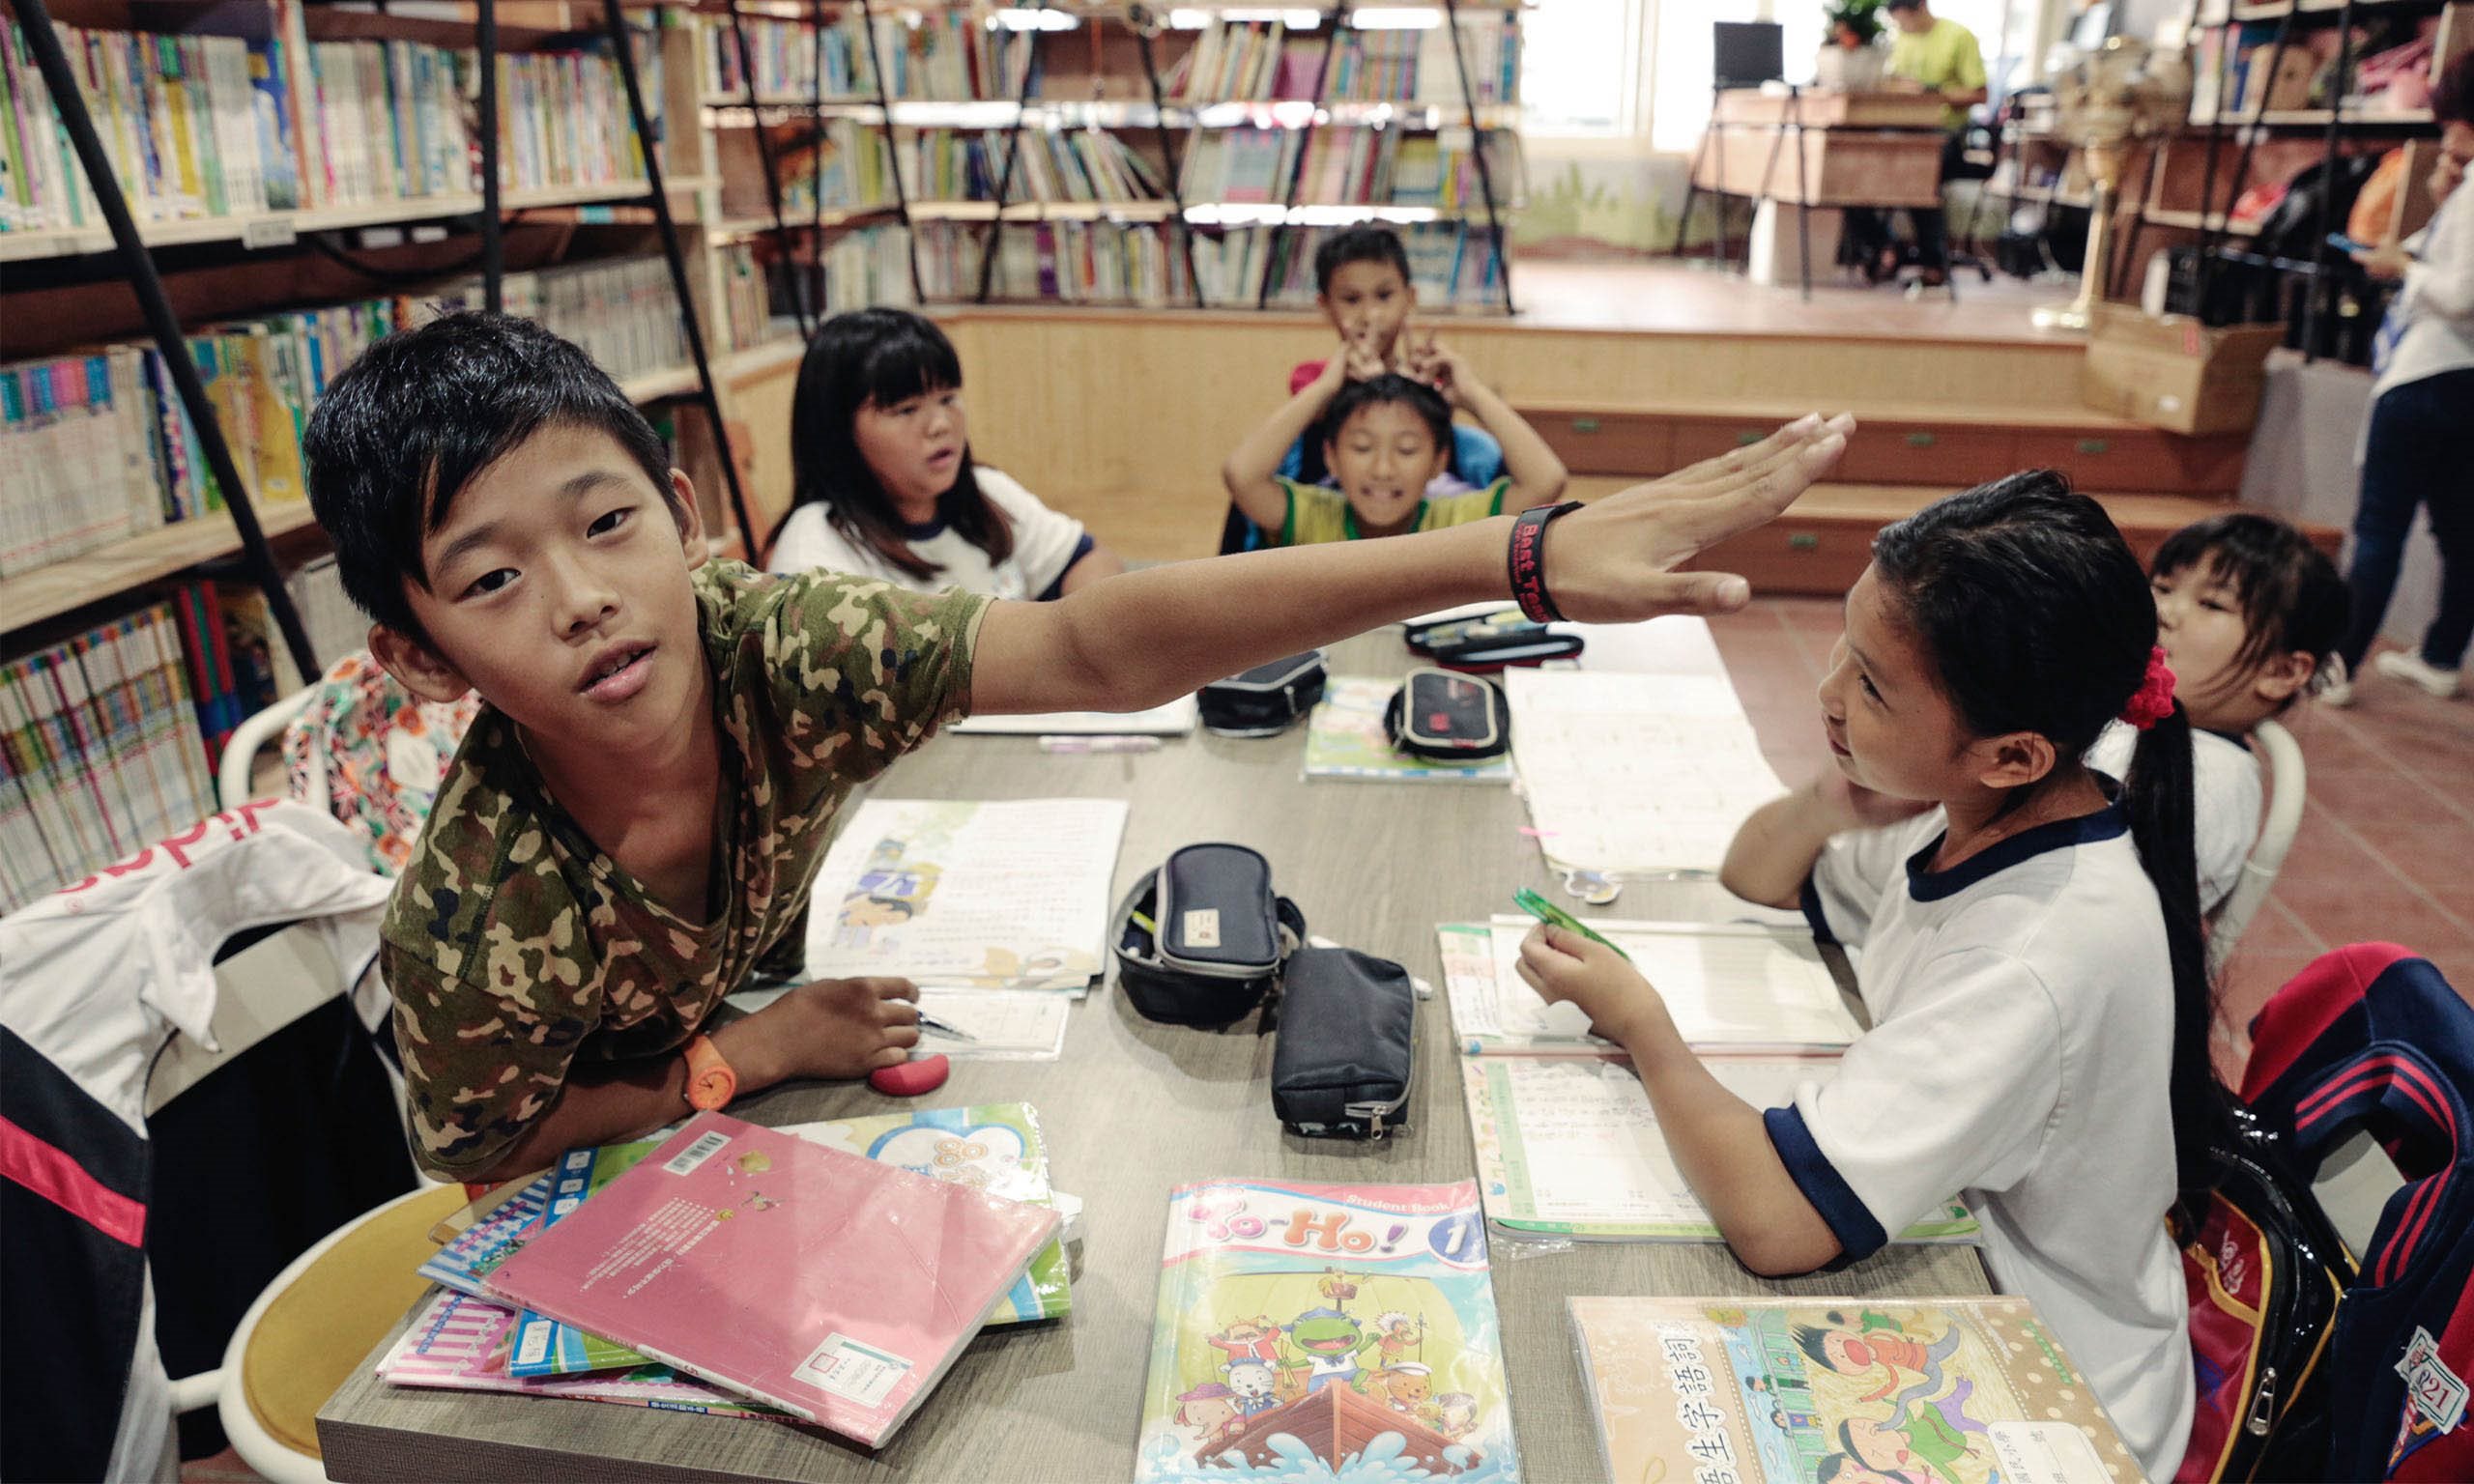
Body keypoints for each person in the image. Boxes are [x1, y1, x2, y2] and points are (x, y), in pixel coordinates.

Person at [299, 310, 1850, 1184]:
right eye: (494, 579)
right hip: (617, 1161)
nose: (580, 601)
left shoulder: (770, 638)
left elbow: (1098, 645)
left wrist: (1512, 554)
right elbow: (491, 1155)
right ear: (424, 657)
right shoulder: (471, 909)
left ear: (684, 519)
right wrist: (745, 1054)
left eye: (607, 522)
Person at [1514, 472, 2212, 1479]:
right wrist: (1828, 802)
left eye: (1872, 685)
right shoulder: (1987, 806)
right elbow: (1758, 880)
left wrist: (1640, 1024)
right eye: (1845, 647)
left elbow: (1776, 1223)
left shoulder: (2036, 951)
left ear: (2011, 754)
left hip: (2046, 1386)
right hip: (1964, 1273)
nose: (1827, 690)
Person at [766, 307, 1126, 599]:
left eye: (948, 399)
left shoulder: (987, 490)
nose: (940, 425)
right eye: (906, 410)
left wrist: (1088, 631)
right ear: (838, 431)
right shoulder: (815, 548)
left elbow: (1088, 561)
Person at [2087, 512, 2347, 914]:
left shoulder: (2212, 783)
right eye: (2162, 586)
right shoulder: (2120, 716)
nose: (2163, 611)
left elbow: (2098, 908)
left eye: (2211, 603)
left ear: (2281, 672)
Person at [2330, 51, 2474, 703]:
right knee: (2460, 529)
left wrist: (2401, 266)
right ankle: (2443, 653)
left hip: (2429, 372)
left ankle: (2337, 667)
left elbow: (2462, 293)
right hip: (2464, 380)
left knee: (2381, 527)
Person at [1223, 336, 1568, 544]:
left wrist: (1473, 393)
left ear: (1438, 462)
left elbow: (1546, 481)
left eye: (1406, 449)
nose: (1383, 469)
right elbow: (1242, 476)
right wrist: (1324, 388)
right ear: (1330, 457)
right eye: (1361, 447)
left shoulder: (1455, 524)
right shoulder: (1313, 516)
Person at [1280, 225, 1504, 494]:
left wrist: (1422, 394)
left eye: (1384, 296)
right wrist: (1342, 385)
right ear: (1325, 307)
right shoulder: (1313, 378)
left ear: (1410, 299)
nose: (1370, 314)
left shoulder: (1430, 379)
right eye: (1351, 299)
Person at [1845, 0, 1987, 285]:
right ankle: (1886, 245)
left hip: (1948, 135)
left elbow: (1979, 93)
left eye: (1905, 20)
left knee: (1919, 172)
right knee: (1851, 168)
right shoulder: (1900, 40)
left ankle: (1935, 263)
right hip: (1902, 130)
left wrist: (1931, 92)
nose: (1902, 27)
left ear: (1921, 7)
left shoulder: (1958, 36)